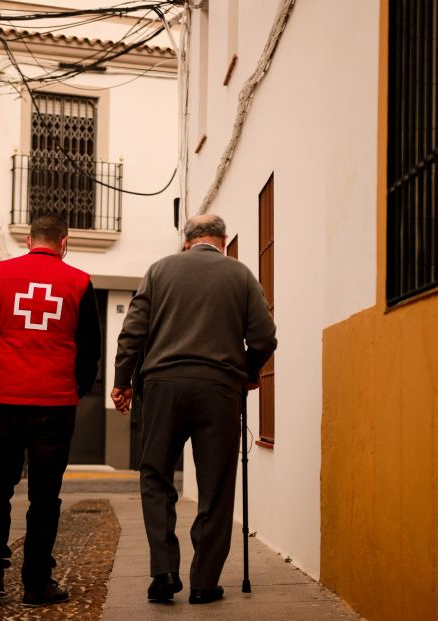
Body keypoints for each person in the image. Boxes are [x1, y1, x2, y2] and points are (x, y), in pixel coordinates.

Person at [111, 213, 276, 605]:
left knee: (156, 476)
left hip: (163, 387)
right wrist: (249, 372)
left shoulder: (158, 271)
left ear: (187, 241)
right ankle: (204, 582)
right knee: (216, 486)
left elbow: (133, 331)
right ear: (222, 239)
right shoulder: (240, 275)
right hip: (219, 389)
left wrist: (122, 382)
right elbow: (265, 335)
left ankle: (164, 571)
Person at [0, 213, 102, 607]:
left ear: (28, 239)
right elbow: (91, 348)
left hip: (5, 399)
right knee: (45, 495)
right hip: (55, 404)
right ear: (64, 242)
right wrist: (77, 390)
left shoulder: (1, 273)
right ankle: (37, 582)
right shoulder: (80, 282)